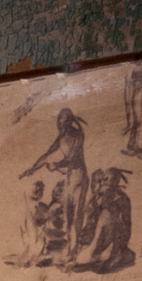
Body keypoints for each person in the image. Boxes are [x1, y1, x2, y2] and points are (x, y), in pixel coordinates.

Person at [21, 106, 90, 261]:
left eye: (63, 122)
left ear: (69, 122)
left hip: (80, 177)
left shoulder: (78, 135)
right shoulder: (61, 137)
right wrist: (32, 169)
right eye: (59, 122)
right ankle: (71, 249)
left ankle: (74, 250)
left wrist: (57, 165)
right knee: (68, 216)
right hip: (70, 177)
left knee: (76, 216)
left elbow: (74, 159)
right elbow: (47, 154)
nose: (60, 125)